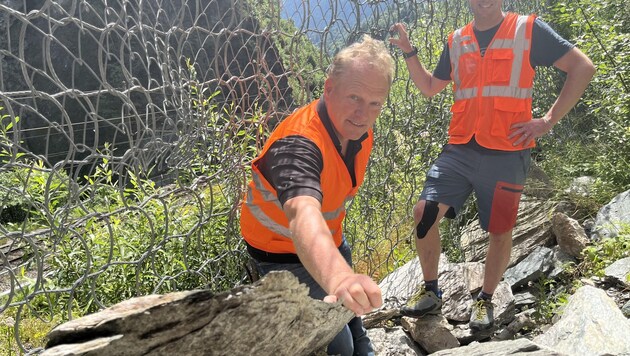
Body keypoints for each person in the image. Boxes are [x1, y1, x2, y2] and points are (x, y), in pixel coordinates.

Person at [389, 0, 595, 331]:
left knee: (500, 230)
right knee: (423, 212)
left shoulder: (527, 29)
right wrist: (409, 51)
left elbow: (582, 67)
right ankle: (430, 292)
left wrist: (547, 120)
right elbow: (429, 87)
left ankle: (485, 300)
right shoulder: (456, 39)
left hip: (506, 152)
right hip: (459, 148)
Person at [240, 34, 394, 355]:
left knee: (354, 323)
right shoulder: (298, 144)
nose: (363, 114)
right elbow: (302, 212)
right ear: (328, 89)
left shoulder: (358, 133)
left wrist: (342, 274)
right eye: (354, 97)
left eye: (375, 103)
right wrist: (339, 278)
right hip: (281, 255)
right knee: (340, 346)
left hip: (331, 240)